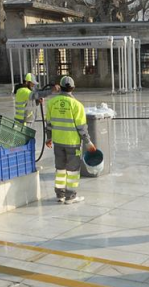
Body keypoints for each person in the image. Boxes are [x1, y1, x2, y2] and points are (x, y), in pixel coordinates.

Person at [45, 76, 96, 204]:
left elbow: (49, 123)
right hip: (72, 143)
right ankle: (70, 196)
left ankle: (60, 195)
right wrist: (88, 142)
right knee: (73, 171)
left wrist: (49, 138)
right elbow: (81, 128)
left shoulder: (51, 103)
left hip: (58, 142)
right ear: (73, 88)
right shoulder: (77, 105)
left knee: (60, 169)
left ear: (60, 87)